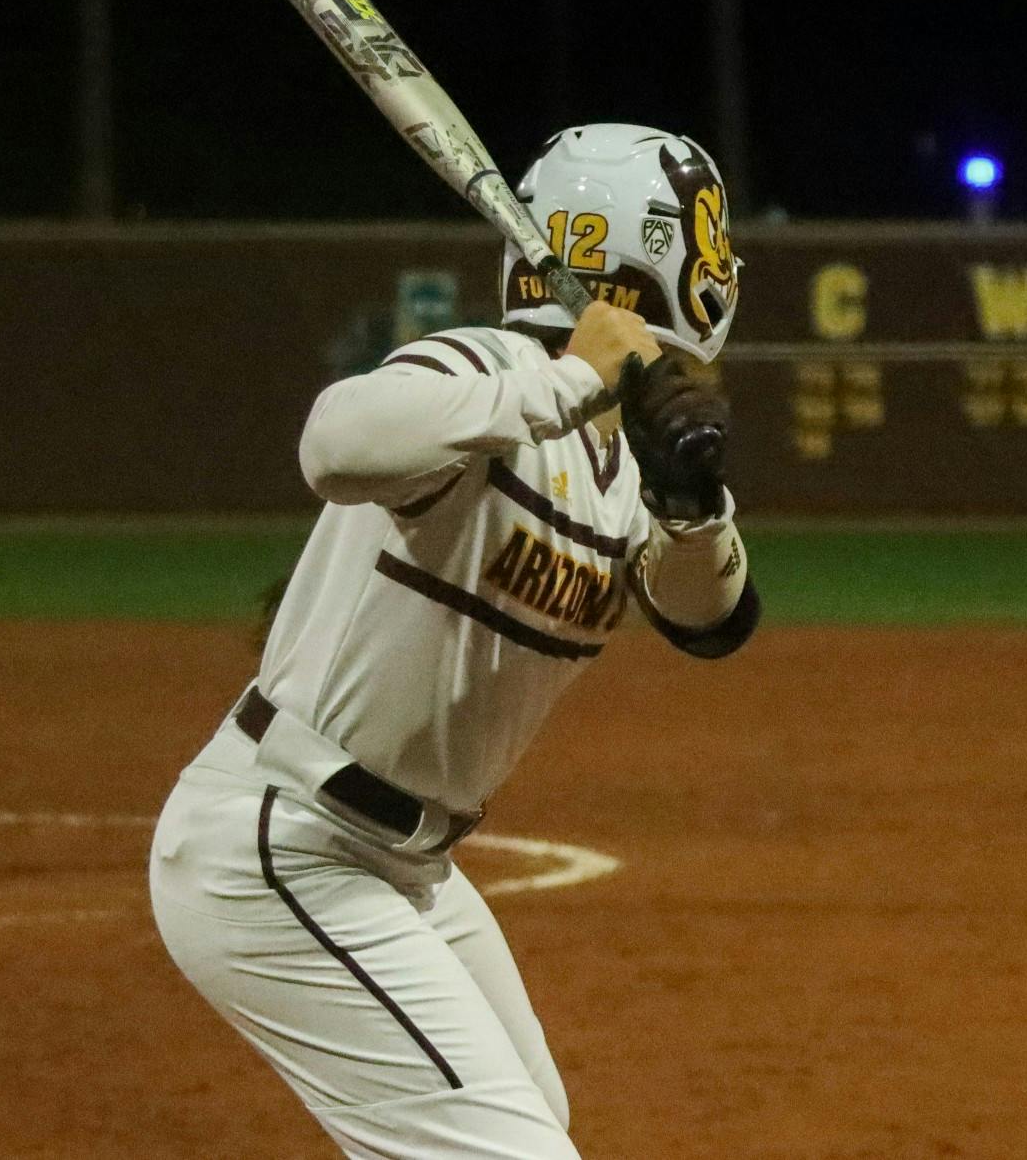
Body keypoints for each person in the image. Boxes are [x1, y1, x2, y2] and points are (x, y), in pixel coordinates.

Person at [149, 124, 760, 1157]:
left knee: (528, 1123)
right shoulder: (483, 370)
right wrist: (567, 381)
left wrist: (691, 503)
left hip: (407, 864)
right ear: (653, 255)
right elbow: (333, 440)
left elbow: (707, 623)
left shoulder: (620, 460)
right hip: (285, 844)